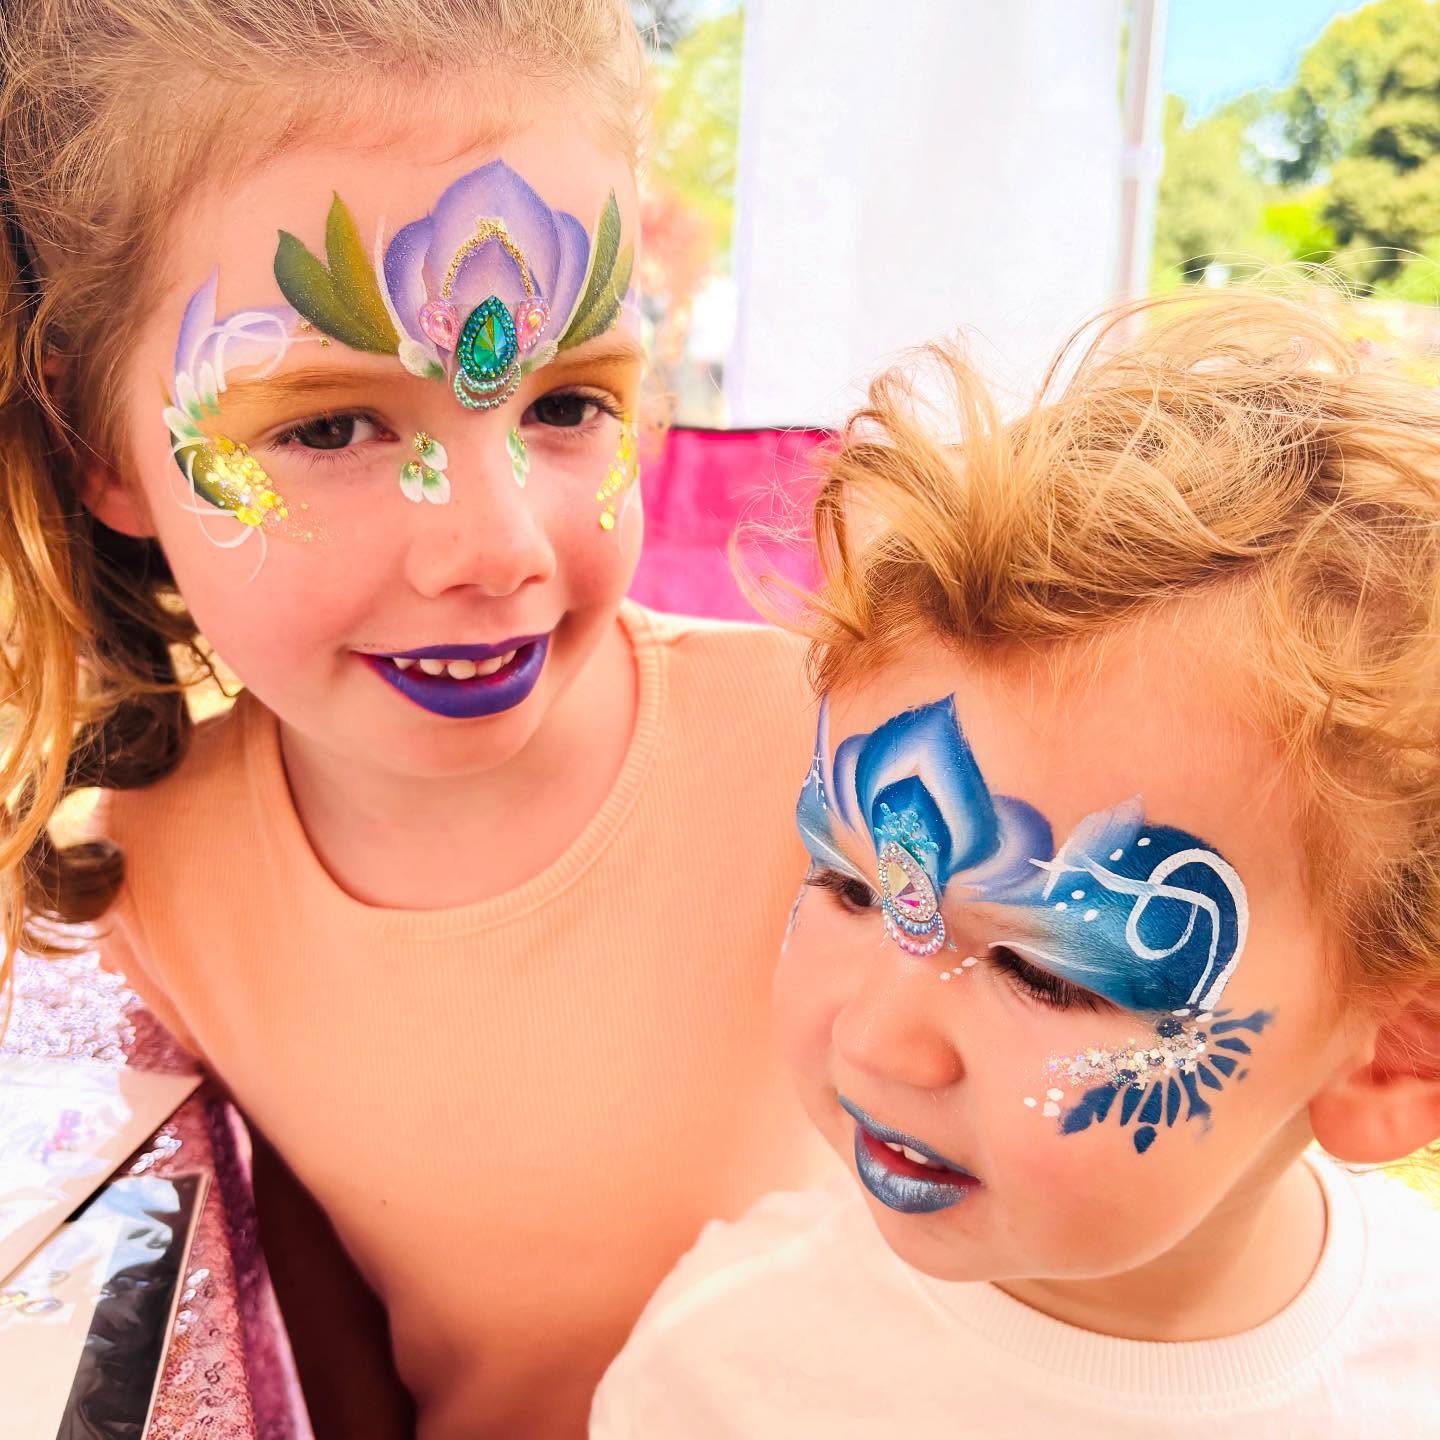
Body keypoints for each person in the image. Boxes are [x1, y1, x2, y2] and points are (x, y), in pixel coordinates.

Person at [0, 3, 827, 1436]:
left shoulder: (837, 759)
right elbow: (324, 1348)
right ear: (96, 449)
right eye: (328, 428)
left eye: (568, 400)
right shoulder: (162, 874)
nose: (497, 543)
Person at [591, 288, 1440, 1438]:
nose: (873, 1040)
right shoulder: (729, 1381)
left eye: (1047, 974)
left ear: (1395, 1051)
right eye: (851, 885)